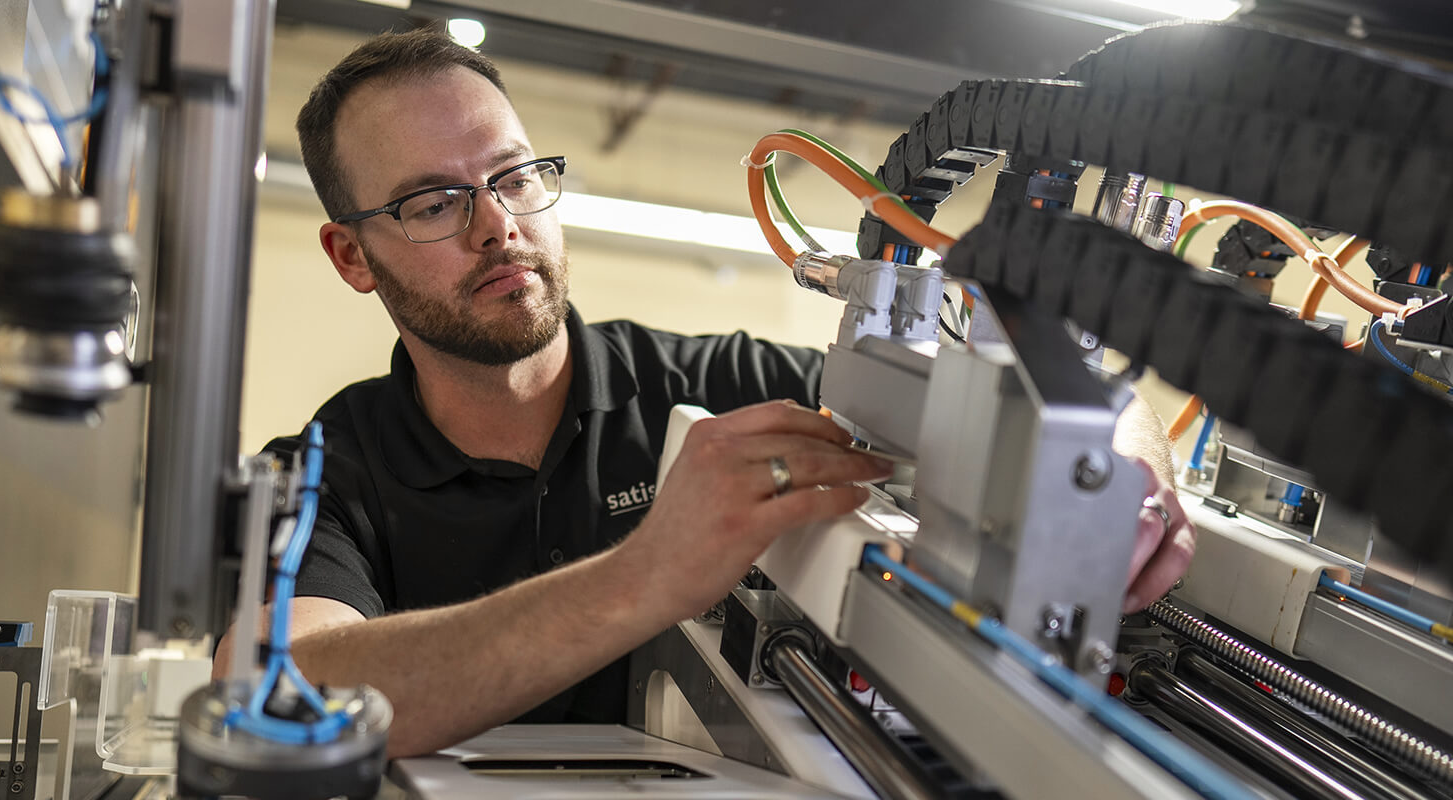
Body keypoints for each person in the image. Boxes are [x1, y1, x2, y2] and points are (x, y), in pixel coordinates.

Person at [214, 26, 1197, 758]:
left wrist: (1121, 474)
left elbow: (1062, 392)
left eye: (513, 177)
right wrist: (650, 570)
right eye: (435, 201)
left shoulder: (712, 389)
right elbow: (278, 686)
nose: (497, 226)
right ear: (351, 255)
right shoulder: (322, 473)